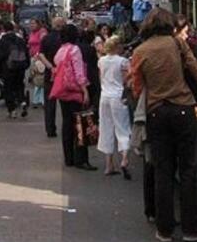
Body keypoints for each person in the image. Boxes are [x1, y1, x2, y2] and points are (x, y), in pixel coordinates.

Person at [130, 7, 197, 242]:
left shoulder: (140, 50)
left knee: (162, 170)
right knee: (188, 169)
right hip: (183, 108)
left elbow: (136, 86)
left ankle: (164, 229)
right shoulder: (177, 44)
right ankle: (191, 228)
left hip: (156, 111)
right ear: (170, 24)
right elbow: (196, 70)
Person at [50, 24, 95, 170]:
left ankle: (68, 158)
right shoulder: (75, 50)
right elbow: (79, 72)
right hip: (75, 91)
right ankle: (81, 159)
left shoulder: (60, 51)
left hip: (63, 91)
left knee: (67, 124)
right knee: (80, 124)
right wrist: (85, 90)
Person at [97, 36, 131, 178]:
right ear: (117, 47)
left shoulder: (101, 61)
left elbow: (101, 79)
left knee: (106, 128)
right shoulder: (122, 61)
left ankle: (109, 164)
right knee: (122, 128)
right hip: (118, 96)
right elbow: (128, 77)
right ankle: (124, 158)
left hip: (104, 96)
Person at [36, 17, 65, 138]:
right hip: (64, 73)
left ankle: (50, 129)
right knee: (65, 101)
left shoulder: (46, 38)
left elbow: (40, 54)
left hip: (50, 73)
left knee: (49, 102)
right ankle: (67, 127)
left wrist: (50, 67)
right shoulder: (65, 39)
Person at [0, 21, 29, 118]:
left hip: (8, 68)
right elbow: (26, 53)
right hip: (20, 67)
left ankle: (12, 109)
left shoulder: (2, 41)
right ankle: (22, 101)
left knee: (8, 88)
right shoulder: (20, 40)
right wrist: (26, 65)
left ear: (3, 29)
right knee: (19, 85)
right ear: (13, 28)